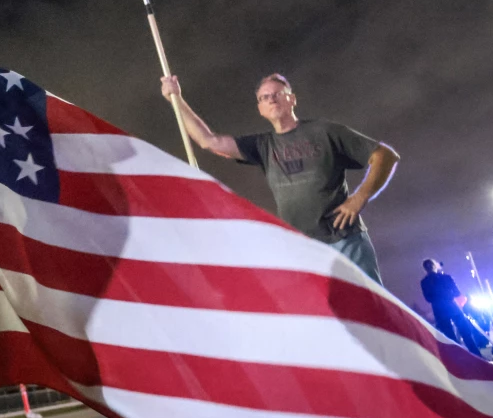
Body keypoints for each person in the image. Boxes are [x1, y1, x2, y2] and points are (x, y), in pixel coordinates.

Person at [160, 73, 399, 284]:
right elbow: (208, 141)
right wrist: (176, 100)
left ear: (292, 98)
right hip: (302, 250)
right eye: (264, 97)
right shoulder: (263, 145)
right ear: (260, 108)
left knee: (373, 316)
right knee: (320, 322)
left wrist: (360, 197)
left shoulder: (324, 131)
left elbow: (384, 156)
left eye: (277, 93)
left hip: (345, 242)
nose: (271, 99)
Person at [419, 259, 484, 356]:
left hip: (439, 310)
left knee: (449, 336)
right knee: (465, 332)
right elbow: (457, 292)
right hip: (452, 306)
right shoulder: (446, 277)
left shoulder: (424, 282)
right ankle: (476, 355)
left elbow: (428, 298)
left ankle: (458, 358)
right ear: (434, 266)